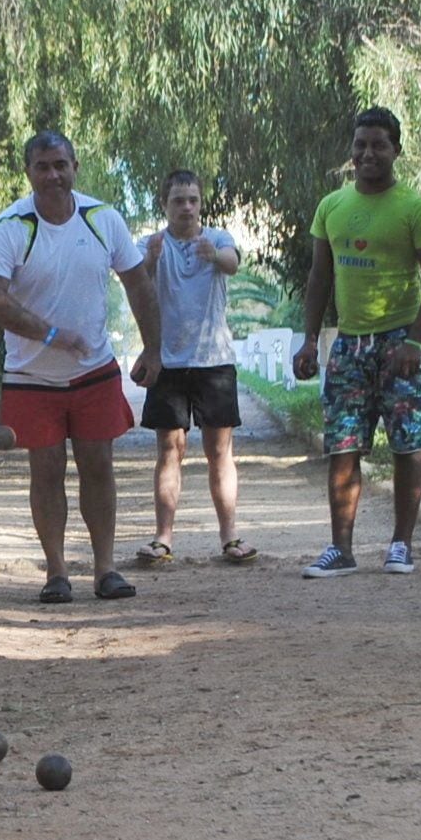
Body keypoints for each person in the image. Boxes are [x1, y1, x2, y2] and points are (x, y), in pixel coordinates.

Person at [0, 131, 163, 603]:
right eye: (43, 166)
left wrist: (153, 348)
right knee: (47, 469)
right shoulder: (10, 226)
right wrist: (51, 334)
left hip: (94, 369)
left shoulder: (103, 218)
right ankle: (56, 572)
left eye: (61, 164)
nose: (53, 175)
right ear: (29, 172)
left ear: (75, 166)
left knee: (99, 464)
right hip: (30, 375)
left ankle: (105, 569)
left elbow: (138, 284)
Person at [291, 108, 421, 577]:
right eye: (361, 144)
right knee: (342, 445)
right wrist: (309, 341)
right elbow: (320, 277)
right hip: (349, 347)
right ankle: (341, 549)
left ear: (396, 150)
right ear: (351, 150)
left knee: (408, 445)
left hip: (401, 344)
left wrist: (416, 342)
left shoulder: (415, 209)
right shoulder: (332, 207)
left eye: (379, 145)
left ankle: (402, 544)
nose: (368, 154)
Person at [134, 169, 253, 568]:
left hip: (214, 361)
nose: (186, 207)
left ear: (201, 204)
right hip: (167, 362)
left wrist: (213, 256)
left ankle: (230, 537)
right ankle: (162, 539)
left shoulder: (217, 238)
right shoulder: (151, 244)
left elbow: (233, 263)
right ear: (165, 205)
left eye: (193, 200)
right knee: (170, 451)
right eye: (178, 200)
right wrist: (149, 261)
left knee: (220, 452)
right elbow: (136, 284)